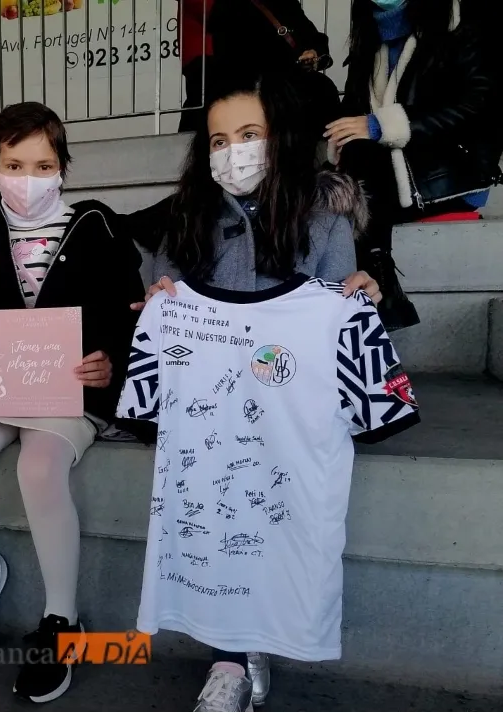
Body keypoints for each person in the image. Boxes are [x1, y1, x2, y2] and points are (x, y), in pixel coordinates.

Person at [127, 68, 383, 711]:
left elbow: (338, 328)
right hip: (213, 424)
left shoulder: (325, 224)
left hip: (287, 419)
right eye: (217, 139)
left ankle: (252, 642)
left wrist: (360, 303)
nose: (231, 150)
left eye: (247, 133)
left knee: (277, 514)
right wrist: (160, 308)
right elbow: (166, 322)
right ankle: (232, 657)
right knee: (218, 515)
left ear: (278, 139)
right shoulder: (182, 224)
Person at [0, 102, 145, 703]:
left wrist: (108, 360)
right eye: (15, 164)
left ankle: (62, 622)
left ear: (64, 167)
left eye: (44, 164)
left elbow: (128, 310)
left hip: (68, 388)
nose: (29, 177)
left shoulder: (97, 226)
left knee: (38, 467)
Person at [325, 0, 503, 332]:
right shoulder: (371, 39)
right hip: (385, 175)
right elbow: (355, 113)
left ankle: (382, 291)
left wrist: (382, 126)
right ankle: (372, 297)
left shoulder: (461, 23)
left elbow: (479, 107)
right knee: (332, 182)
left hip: (451, 170)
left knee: (359, 169)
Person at [177, 0, 340, 136]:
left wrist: (313, 52)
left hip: (278, 83)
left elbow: (308, 33)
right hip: (226, 82)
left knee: (322, 89)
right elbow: (235, 36)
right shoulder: (220, 7)